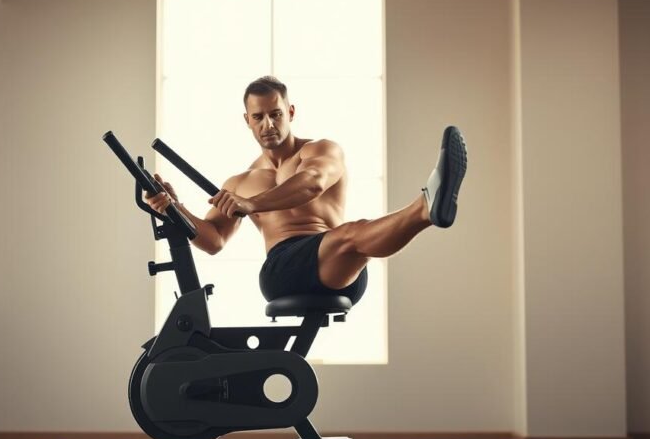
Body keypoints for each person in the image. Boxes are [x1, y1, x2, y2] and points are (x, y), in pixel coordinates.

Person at [145, 75, 467, 306]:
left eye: (276, 114)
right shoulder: (240, 182)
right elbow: (213, 240)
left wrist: (251, 203)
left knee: (350, 237)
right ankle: (425, 209)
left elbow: (312, 183)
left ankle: (427, 208)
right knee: (351, 235)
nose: (268, 125)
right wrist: (175, 208)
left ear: (291, 113)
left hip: (342, 268)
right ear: (247, 120)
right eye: (258, 117)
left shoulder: (322, 150)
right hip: (282, 271)